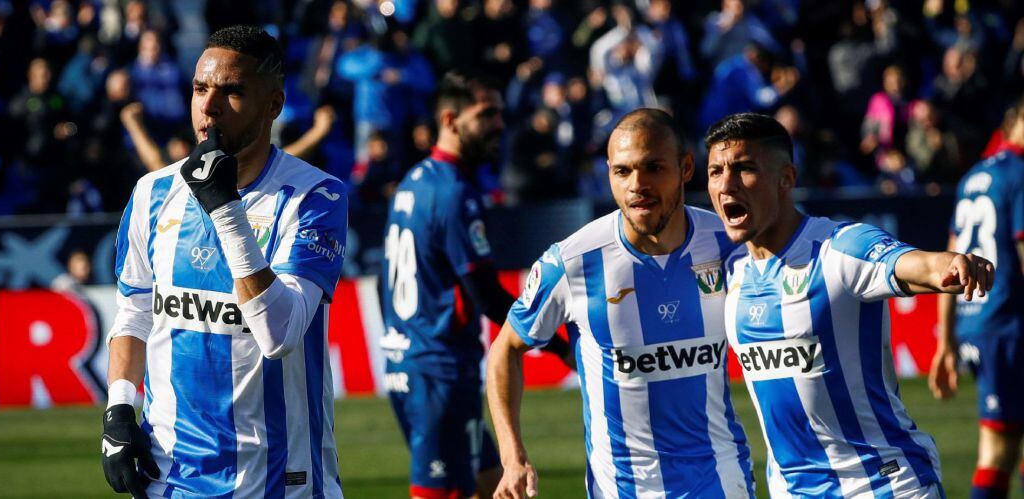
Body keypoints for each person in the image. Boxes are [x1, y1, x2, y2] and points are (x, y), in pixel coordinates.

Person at [100, 25, 347, 498]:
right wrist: (118, 411)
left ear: (273, 105)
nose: (209, 106)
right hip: (170, 479)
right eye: (200, 88)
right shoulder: (153, 192)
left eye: (232, 92)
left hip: (278, 481)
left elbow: (279, 334)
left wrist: (225, 209)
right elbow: (135, 314)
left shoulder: (315, 197)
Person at [704, 112, 994, 497]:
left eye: (744, 168)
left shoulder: (839, 248)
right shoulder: (733, 274)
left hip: (886, 485)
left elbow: (911, 263)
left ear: (786, 178)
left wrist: (951, 264)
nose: (726, 184)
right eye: (715, 171)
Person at [488, 108, 755, 499]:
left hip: (722, 479)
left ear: (684, 168)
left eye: (653, 168)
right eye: (623, 171)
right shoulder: (573, 261)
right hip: (622, 489)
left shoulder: (729, 244)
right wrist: (512, 457)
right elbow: (505, 349)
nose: (637, 185)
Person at [379, 70, 569, 499]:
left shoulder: (414, 180)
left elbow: (382, 283)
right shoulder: (454, 193)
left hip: (408, 360)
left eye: (500, 113)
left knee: (494, 485)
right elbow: (486, 296)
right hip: (440, 369)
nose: (499, 124)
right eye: (486, 115)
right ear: (450, 119)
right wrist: (559, 347)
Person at [929, 97, 1024, 499]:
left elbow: (951, 261)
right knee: (996, 452)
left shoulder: (973, 177)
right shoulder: (1020, 172)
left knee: (1003, 445)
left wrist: (945, 340)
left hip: (978, 318)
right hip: (1010, 324)